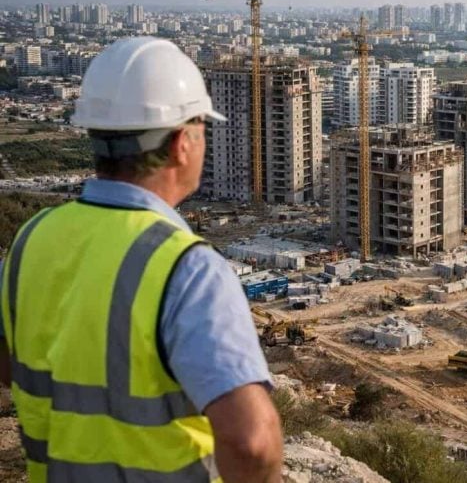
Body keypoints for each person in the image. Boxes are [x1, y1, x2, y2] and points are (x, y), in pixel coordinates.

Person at [0, 37, 283, 482]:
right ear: (180, 145)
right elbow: (252, 443)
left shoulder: (32, 239)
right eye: (201, 128)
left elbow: (12, 363)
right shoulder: (185, 267)